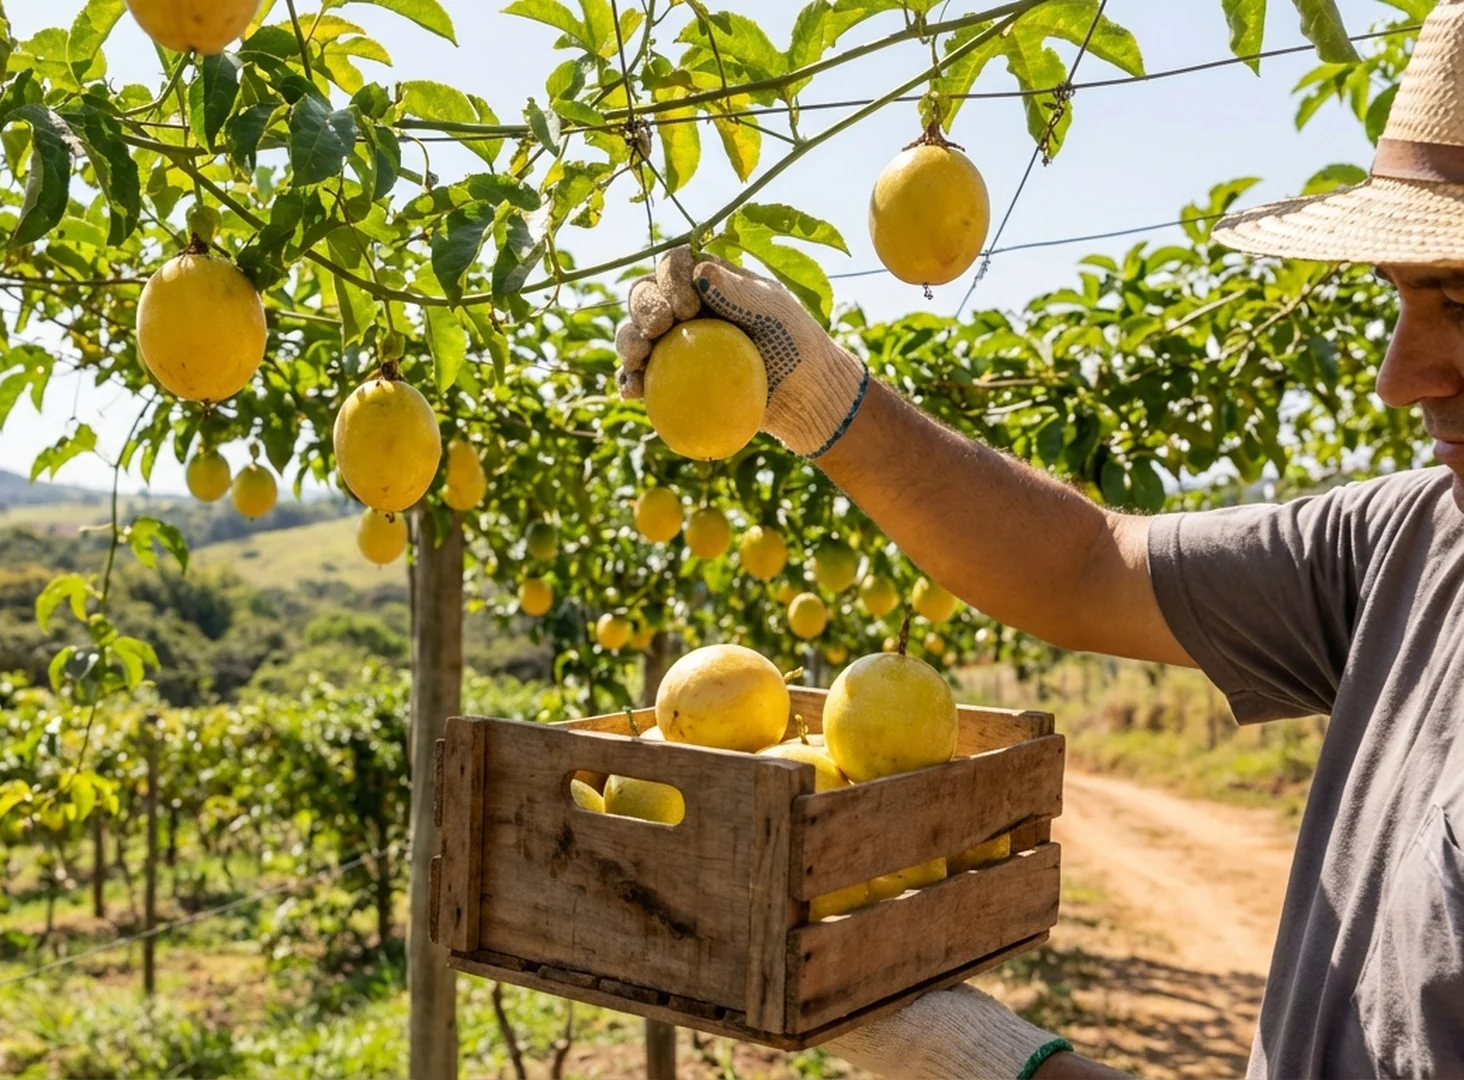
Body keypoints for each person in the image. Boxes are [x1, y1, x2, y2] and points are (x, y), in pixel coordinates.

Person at [615, 3, 1464, 1076]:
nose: (1400, 377)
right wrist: (818, 395)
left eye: (1462, 301)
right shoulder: (1412, 542)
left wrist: (979, 1053)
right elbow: (1086, 563)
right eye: (1400, 299)